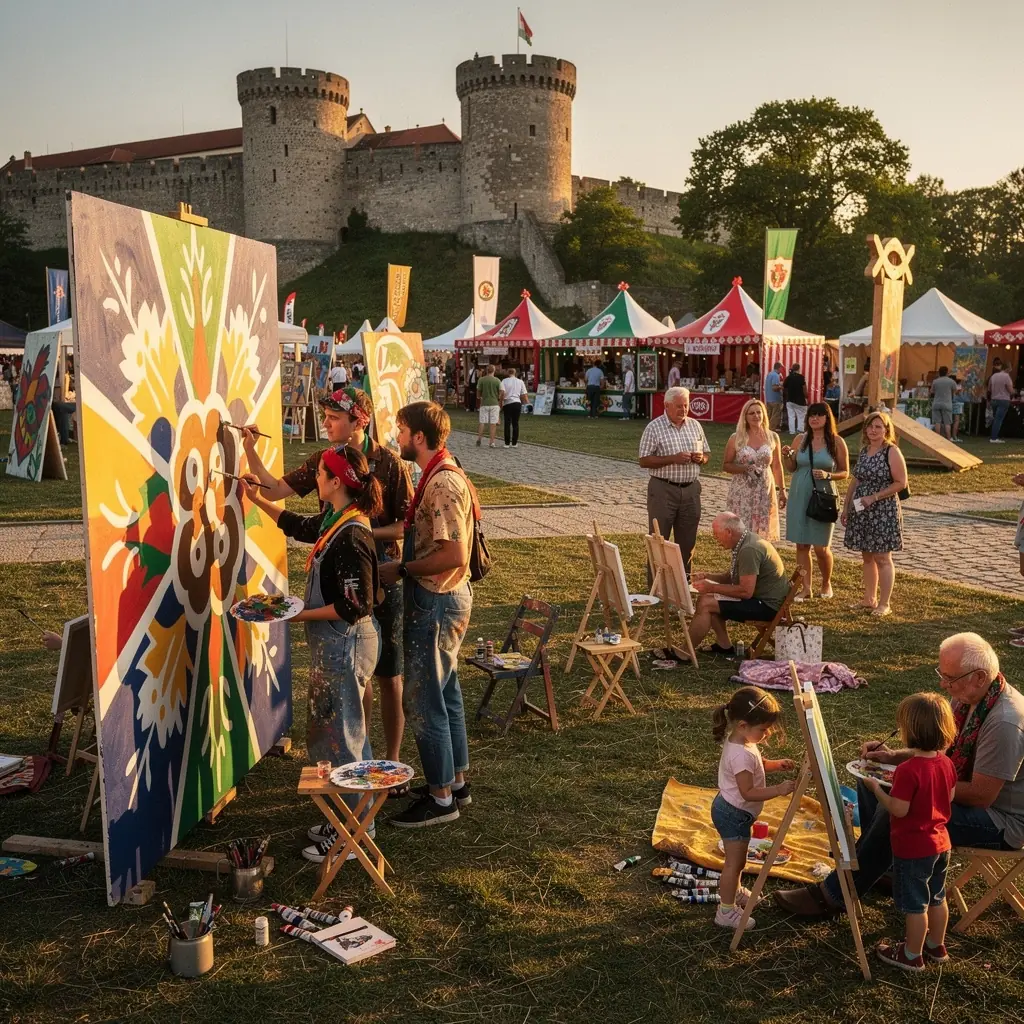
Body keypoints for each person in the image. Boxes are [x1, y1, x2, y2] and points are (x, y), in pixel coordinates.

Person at [776, 632, 1024, 919]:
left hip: (1002, 822)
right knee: (871, 779)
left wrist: (917, 786)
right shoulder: (971, 694)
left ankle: (835, 895)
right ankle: (889, 868)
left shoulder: (1004, 722)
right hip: (968, 796)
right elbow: (939, 750)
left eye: (950, 678)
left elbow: (982, 795)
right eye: (941, 675)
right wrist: (893, 757)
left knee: (902, 811)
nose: (943, 684)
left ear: (980, 676)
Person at [242, 388, 413, 773]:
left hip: (372, 584)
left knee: (385, 676)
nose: (325, 424)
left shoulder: (386, 467)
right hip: (344, 583)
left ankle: (380, 769)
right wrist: (253, 473)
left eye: (334, 417)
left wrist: (359, 531)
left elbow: (405, 526)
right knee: (350, 699)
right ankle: (361, 767)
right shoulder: (329, 466)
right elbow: (296, 513)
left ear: (359, 421)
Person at [242, 444, 382, 863]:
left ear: (336, 483)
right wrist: (258, 500)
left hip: (346, 644)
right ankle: (344, 814)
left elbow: (355, 606)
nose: (314, 478)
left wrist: (296, 615)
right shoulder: (335, 518)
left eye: (320, 473)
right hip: (335, 645)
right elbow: (301, 527)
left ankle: (357, 831)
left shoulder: (352, 535)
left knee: (345, 737)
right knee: (329, 733)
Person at [380, 402, 474, 828]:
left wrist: (401, 568)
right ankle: (454, 781)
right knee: (446, 690)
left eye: (401, 430)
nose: (397, 437)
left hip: (438, 598)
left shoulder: (442, 485)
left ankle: (440, 800)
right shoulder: (441, 472)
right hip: (444, 596)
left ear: (419, 437)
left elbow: (453, 553)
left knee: (422, 698)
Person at [867, 693, 958, 971]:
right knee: (937, 897)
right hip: (941, 844)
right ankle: (935, 945)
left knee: (915, 904)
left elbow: (899, 809)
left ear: (912, 732)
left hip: (914, 847)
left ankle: (911, 954)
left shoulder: (908, 770)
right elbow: (950, 796)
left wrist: (876, 789)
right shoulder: (946, 763)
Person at [710, 686, 797, 930]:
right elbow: (747, 791)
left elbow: (756, 766)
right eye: (763, 729)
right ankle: (725, 912)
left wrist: (774, 764)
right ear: (742, 726)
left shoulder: (743, 742)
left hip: (734, 811)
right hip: (733, 813)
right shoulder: (740, 754)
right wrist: (778, 790)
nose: (767, 733)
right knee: (733, 864)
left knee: (737, 862)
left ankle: (735, 892)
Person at [688, 512, 790, 657]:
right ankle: (724, 646)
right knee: (710, 598)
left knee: (706, 602)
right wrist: (707, 576)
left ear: (729, 532)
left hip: (767, 606)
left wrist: (711, 587)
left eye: (717, 534)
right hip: (762, 599)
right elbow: (730, 577)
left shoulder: (749, 549)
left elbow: (745, 591)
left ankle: (685, 652)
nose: (715, 538)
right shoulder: (745, 541)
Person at [638, 386, 710, 576]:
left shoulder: (695, 425)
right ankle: (656, 585)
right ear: (667, 405)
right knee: (659, 538)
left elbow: (707, 453)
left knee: (687, 541)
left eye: (686, 405)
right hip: (663, 488)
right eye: (679, 406)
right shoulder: (654, 427)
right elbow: (644, 460)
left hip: (691, 490)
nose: (683, 410)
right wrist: (672, 458)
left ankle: (683, 583)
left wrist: (701, 458)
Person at [842, 410, 907, 617]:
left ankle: (884, 603)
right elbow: (856, 480)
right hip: (862, 508)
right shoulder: (864, 451)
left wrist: (875, 497)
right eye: (870, 426)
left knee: (882, 557)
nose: (873, 430)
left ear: (886, 430)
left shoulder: (892, 451)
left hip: (883, 510)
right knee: (867, 555)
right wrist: (846, 507)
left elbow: (901, 483)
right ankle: (869, 599)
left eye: (878, 426)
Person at [782, 403, 849, 600]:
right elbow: (791, 467)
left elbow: (845, 472)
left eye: (819, 415)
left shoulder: (836, 442)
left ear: (828, 419)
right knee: (802, 545)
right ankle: (806, 587)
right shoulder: (800, 439)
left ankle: (826, 582)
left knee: (821, 547)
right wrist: (788, 456)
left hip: (823, 495)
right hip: (799, 494)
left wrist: (829, 475)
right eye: (812, 415)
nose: (814, 419)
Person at [723, 399, 786, 541]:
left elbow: (776, 465)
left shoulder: (772, 437)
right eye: (751, 413)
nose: (756, 416)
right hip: (742, 490)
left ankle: (759, 558)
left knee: (761, 533)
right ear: (745, 417)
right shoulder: (736, 438)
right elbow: (726, 465)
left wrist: (782, 490)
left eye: (759, 412)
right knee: (741, 531)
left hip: (764, 490)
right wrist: (744, 468)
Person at [499, 367, 528, 448]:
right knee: (515, 423)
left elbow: (502, 393)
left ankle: (507, 443)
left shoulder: (504, 381)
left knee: (507, 423)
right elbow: (524, 394)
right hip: (517, 403)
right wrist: (527, 403)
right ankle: (514, 443)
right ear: (515, 373)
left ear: (508, 373)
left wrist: (501, 403)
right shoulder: (520, 381)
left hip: (507, 403)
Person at [989, 361, 1014, 443]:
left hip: (994, 399)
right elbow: (1010, 390)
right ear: (1008, 368)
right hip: (1003, 399)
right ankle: (994, 438)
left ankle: (993, 435)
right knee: (998, 419)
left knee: (995, 418)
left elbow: (989, 388)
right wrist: (1014, 392)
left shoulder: (994, 376)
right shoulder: (1006, 376)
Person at [476, 364, 501, 448]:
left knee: (482, 422)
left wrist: (479, 396)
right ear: (494, 371)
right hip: (494, 403)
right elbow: (501, 391)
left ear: (486, 371)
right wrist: (498, 397)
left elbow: (478, 391)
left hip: (484, 403)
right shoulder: (497, 380)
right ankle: (492, 442)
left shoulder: (481, 380)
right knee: (493, 423)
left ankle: (479, 438)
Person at [929, 366, 957, 440]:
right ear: (947, 372)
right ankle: (948, 439)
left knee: (937, 422)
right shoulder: (951, 381)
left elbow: (931, 391)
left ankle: (938, 439)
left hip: (937, 403)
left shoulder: (935, 381)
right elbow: (955, 391)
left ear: (939, 372)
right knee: (947, 423)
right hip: (947, 404)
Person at [783, 362, 807, 434]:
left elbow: (784, 387)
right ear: (799, 369)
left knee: (791, 416)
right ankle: (800, 430)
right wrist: (806, 395)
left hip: (790, 399)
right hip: (800, 400)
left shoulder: (788, 378)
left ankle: (792, 431)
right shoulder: (801, 377)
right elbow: (804, 388)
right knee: (801, 416)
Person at [764, 361, 784, 430]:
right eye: (782, 368)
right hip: (775, 399)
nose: (782, 370)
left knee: (769, 415)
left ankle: (765, 428)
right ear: (779, 368)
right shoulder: (776, 375)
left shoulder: (769, 374)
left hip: (769, 399)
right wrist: (781, 387)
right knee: (775, 415)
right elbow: (774, 388)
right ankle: (771, 429)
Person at [950, 374, 964, 443]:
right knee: (956, 420)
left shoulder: (948, 386)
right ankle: (954, 436)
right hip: (956, 404)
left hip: (949, 403)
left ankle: (948, 435)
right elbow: (958, 394)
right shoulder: (957, 386)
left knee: (948, 421)